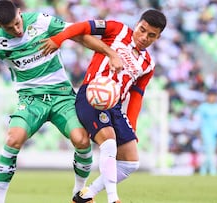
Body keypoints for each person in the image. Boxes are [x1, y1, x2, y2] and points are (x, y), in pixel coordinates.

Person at [0, 1, 123, 203]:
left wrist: (111, 53)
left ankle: (78, 193)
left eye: (17, 23)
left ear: (20, 12)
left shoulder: (41, 22)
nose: (16, 30)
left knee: (82, 140)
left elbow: (78, 35)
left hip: (61, 95)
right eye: (10, 28)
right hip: (31, 99)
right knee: (13, 139)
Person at [41, 9, 167, 203]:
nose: (144, 37)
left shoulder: (148, 64)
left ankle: (85, 195)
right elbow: (83, 27)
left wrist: (131, 125)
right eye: (142, 30)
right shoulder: (117, 30)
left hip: (114, 106)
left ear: (158, 38)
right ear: (137, 24)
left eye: (151, 35)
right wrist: (59, 39)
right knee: (108, 142)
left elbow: (136, 96)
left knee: (130, 163)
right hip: (91, 96)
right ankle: (113, 198)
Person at [195, 89, 217, 176]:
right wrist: (199, 132)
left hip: (215, 132)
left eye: (213, 96)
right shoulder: (203, 107)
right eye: (210, 95)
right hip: (206, 131)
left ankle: (203, 169)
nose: (212, 97)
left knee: (211, 151)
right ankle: (212, 169)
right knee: (209, 150)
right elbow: (199, 120)